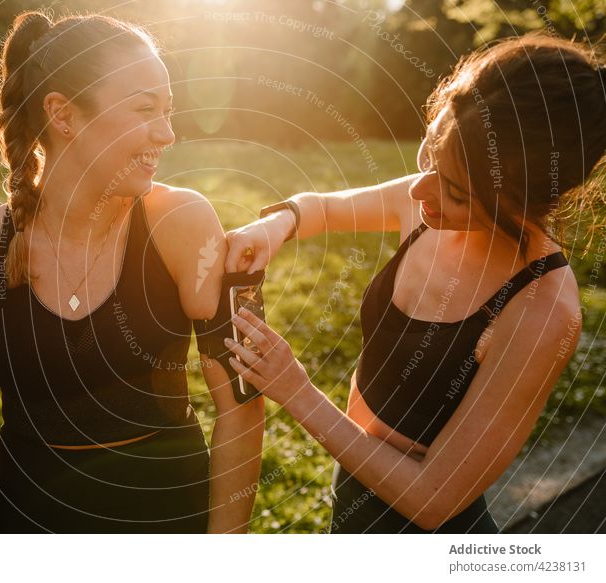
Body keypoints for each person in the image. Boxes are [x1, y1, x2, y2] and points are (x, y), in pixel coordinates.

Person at [223, 33, 605, 533]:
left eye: (454, 190)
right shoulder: (431, 197)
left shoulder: (542, 310)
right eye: (429, 153)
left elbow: (433, 500)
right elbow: (320, 209)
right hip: (352, 491)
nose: (416, 188)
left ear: (525, 200)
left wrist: (294, 390)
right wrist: (277, 224)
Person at [0, 10, 264, 533]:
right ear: (63, 115)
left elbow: (241, 405)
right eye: (144, 110)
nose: (168, 133)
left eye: (169, 110)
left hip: (172, 525)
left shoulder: (181, 223)